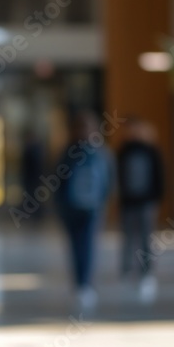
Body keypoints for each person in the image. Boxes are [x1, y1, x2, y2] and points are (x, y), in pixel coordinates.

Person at [55, 109, 113, 314]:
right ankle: (78, 282)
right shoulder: (67, 154)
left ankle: (85, 284)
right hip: (71, 208)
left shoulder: (101, 153)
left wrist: (103, 202)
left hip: (92, 208)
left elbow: (108, 180)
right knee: (75, 246)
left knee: (88, 245)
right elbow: (57, 181)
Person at [116, 117, 165, 298]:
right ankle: (127, 270)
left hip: (146, 201)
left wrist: (156, 198)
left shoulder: (151, 151)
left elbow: (159, 176)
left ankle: (146, 273)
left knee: (146, 239)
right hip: (128, 202)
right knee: (128, 238)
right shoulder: (123, 151)